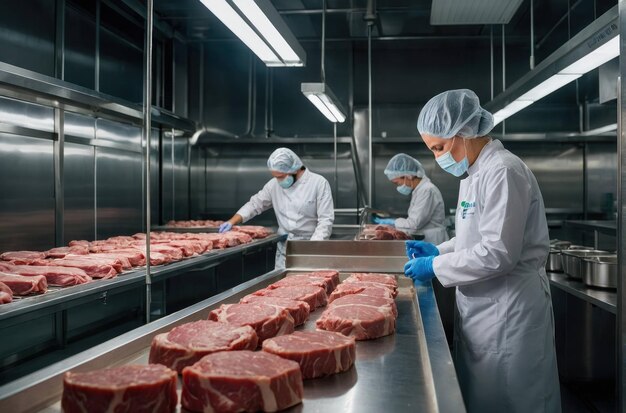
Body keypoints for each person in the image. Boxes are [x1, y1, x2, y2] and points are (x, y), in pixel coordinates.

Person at [403, 89, 561, 413]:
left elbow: (498, 253)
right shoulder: (473, 174)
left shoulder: (503, 170)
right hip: (482, 310)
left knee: (516, 400)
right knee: (485, 398)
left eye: (440, 147)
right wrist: (440, 250)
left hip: (509, 311)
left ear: (462, 134)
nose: (437, 158)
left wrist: (436, 266)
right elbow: (472, 238)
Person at [219, 148, 334, 268]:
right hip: (284, 251)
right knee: (282, 286)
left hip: (312, 248)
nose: (278, 181)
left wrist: (312, 249)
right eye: (275, 177)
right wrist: (232, 221)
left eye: (280, 176)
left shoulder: (318, 183)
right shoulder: (273, 185)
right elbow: (254, 204)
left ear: (294, 169)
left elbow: (325, 221)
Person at [374, 153, 448, 244]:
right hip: (425, 239)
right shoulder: (419, 190)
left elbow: (414, 224)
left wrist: (394, 222)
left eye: (397, 183)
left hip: (433, 241)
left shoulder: (427, 190)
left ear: (407, 176)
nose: (398, 187)